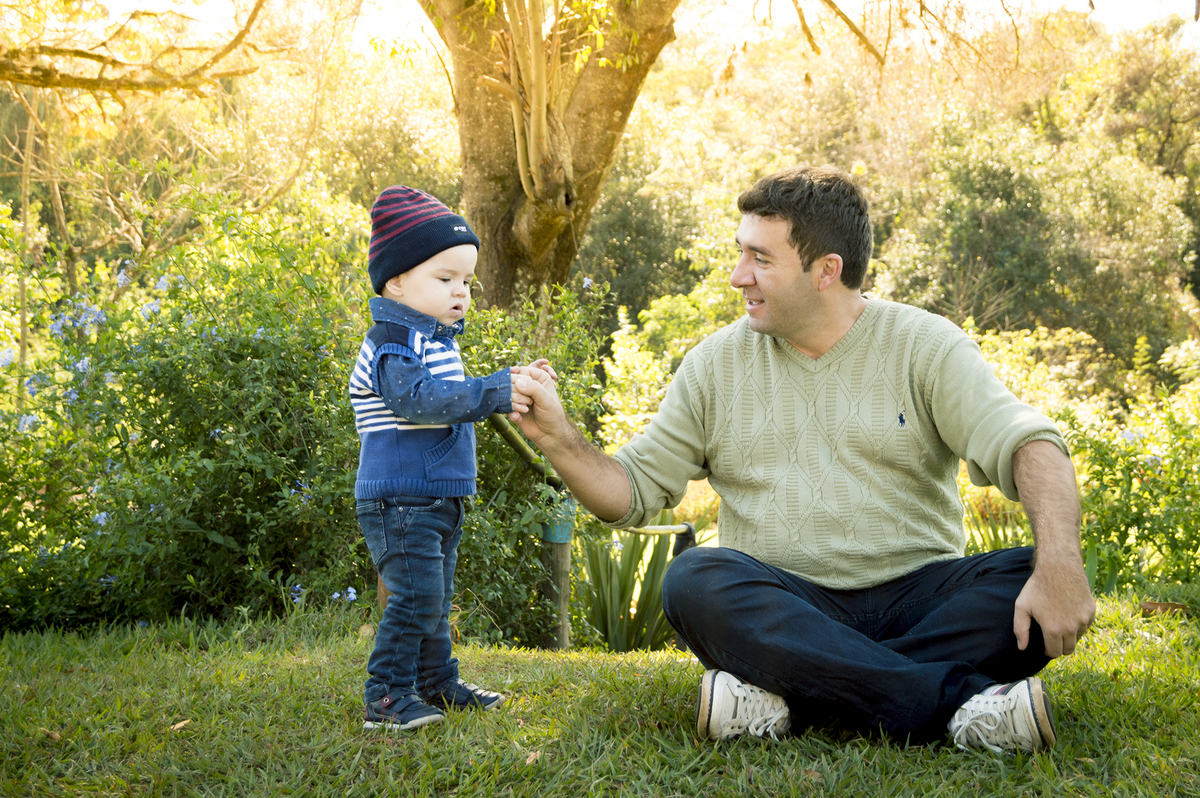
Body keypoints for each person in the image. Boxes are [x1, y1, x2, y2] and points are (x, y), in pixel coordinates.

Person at [511, 165, 1096, 753]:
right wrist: (560, 439)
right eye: (741, 253)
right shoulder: (713, 365)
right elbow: (632, 491)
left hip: (918, 599)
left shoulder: (925, 345)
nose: (740, 276)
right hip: (786, 604)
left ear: (826, 270)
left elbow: (1031, 443)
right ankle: (949, 706)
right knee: (694, 578)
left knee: (1028, 574)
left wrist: (1061, 567)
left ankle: (791, 696)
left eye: (761, 259)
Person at [351, 185, 552, 731]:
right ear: (396, 280)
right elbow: (417, 403)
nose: (460, 292)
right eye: (445, 279)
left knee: (433, 601)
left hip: (437, 495)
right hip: (401, 497)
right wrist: (494, 390)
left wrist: (512, 380)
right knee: (414, 598)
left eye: (466, 280)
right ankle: (387, 697)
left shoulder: (437, 341)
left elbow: (452, 396)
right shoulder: (394, 341)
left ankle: (437, 684)